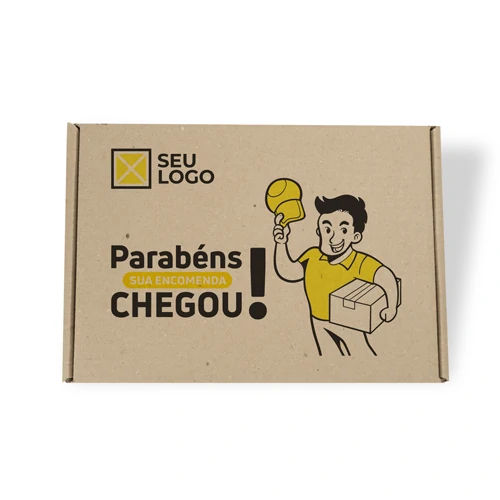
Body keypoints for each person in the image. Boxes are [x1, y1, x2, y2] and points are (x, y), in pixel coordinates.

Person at [273, 195, 398, 356]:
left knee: (361, 355)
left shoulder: (359, 261)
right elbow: (288, 272)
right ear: (318, 231)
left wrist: (391, 307)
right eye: (327, 229)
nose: (333, 238)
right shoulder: (312, 256)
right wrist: (281, 243)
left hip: (349, 323)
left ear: (356, 236)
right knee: (327, 358)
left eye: (343, 230)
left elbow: (385, 276)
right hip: (318, 321)